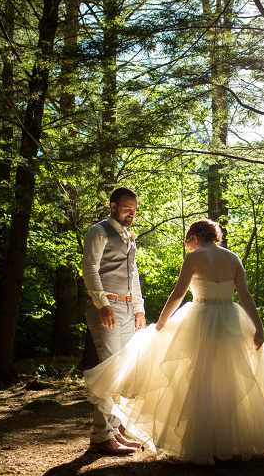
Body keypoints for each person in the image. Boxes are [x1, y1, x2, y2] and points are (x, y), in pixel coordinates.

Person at [84, 219, 264, 464]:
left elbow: (178, 294)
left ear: (197, 237)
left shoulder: (194, 258)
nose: (187, 246)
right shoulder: (233, 258)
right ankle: (232, 442)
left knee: (200, 381)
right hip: (231, 320)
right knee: (230, 379)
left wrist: (161, 323)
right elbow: (244, 294)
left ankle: (205, 443)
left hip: (201, 319)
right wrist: (258, 326)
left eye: (188, 241)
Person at [82, 187, 147, 455]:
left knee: (123, 372)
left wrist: (139, 308)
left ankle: (116, 432)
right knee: (109, 371)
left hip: (129, 309)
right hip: (107, 308)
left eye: (134, 209)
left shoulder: (128, 236)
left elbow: (133, 275)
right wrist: (103, 304)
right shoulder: (98, 232)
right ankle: (101, 436)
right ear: (112, 206)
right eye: (126, 208)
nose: (131, 213)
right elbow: (89, 269)